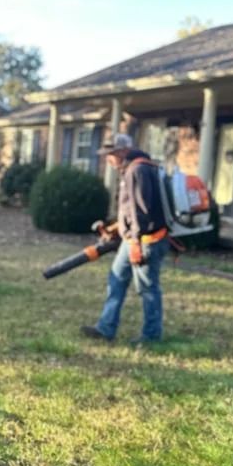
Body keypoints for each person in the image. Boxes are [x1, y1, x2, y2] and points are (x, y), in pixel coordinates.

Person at [81, 133, 170, 344]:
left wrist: (136, 241)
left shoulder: (137, 170)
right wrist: (116, 228)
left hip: (145, 241)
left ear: (121, 152)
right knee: (116, 279)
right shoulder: (135, 168)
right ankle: (105, 328)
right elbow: (130, 210)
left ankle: (151, 336)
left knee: (147, 288)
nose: (107, 159)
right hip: (133, 239)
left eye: (109, 155)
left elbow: (141, 210)